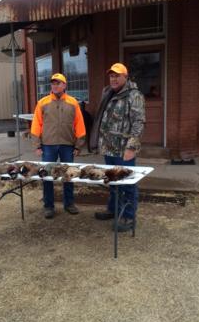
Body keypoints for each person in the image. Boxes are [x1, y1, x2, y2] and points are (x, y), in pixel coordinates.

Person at [90, 63, 145, 232]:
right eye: (111, 75)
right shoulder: (108, 93)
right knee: (112, 181)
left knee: (128, 184)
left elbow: (138, 123)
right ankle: (113, 210)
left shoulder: (134, 96)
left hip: (124, 150)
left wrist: (131, 148)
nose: (113, 78)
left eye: (117, 75)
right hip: (109, 148)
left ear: (125, 77)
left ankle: (129, 217)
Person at [31, 73, 86, 219]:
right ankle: (48, 206)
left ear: (64, 85)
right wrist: (37, 145)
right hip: (48, 145)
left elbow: (80, 125)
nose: (55, 85)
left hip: (67, 145)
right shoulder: (42, 103)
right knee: (47, 175)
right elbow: (36, 124)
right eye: (53, 83)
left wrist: (78, 146)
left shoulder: (73, 103)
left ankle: (69, 204)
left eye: (58, 83)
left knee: (68, 175)